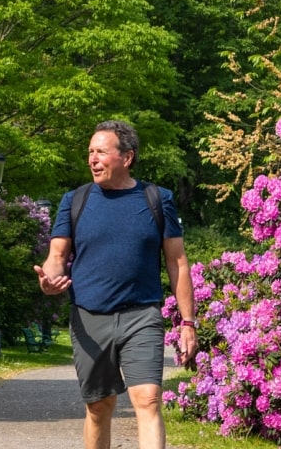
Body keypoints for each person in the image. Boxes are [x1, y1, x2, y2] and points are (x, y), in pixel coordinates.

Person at [35, 120, 198, 449]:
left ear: (127, 157)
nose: (92, 159)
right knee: (98, 407)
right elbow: (57, 254)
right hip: (89, 315)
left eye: (101, 152)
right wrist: (50, 278)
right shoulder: (75, 200)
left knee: (148, 399)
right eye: (90, 152)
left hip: (142, 315)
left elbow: (177, 261)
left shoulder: (157, 199)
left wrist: (188, 322)